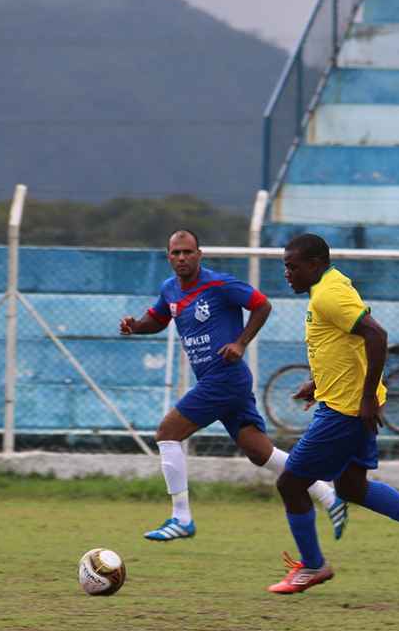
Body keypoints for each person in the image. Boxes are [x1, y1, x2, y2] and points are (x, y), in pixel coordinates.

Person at [119, 229, 347, 542]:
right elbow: (157, 320)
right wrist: (134, 327)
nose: (182, 258)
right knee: (260, 453)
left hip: (224, 378)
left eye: (188, 252)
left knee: (167, 432)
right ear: (168, 256)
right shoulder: (170, 290)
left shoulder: (219, 284)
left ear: (200, 254)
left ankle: (181, 517)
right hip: (221, 383)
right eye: (176, 253)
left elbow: (262, 305)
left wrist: (240, 343)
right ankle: (327, 494)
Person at [270, 233, 399, 595]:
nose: (287, 273)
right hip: (350, 405)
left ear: (313, 264)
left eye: (292, 266)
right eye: (286, 266)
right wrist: (317, 383)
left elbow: (376, 336)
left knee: (290, 483)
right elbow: (346, 343)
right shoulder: (329, 286)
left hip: (345, 412)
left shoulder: (329, 294)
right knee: (352, 487)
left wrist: (363, 401)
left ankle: (312, 565)